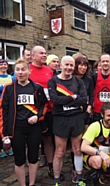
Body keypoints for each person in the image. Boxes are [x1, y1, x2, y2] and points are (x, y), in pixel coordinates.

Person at [2, 59, 47, 186]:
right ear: (14, 72)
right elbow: (4, 110)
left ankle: (32, 183)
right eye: (17, 70)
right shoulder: (9, 88)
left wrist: (37, 117)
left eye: (23, 69)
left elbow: (44, 105)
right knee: (19, 159)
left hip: (34, 128)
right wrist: (4, 132)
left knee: (33, 157)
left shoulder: (37, 87)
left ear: (29, 71)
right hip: (17, 128)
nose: (20, 72)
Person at [48, 55, 87, 186]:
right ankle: (57, 179)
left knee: (77, 150)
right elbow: (55, 100)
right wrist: (74, 97)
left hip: (76, 118)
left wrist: (69, 100)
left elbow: (84, 100)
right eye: (67, 65)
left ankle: (79, 176)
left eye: (71, 65)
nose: (69, 68)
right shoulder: (53, 81)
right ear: (61, 66)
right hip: (60, 119)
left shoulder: (78, 81)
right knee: (59, 152)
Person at [29, 46, 62, 180]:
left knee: (49, 139)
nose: (44, 55)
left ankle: (50, 165)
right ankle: (32, 168)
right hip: (33, 112)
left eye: (45, 53)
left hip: (50, 111)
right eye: (41, 53)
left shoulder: (49, 71)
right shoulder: (27, 70)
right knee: (33, 141)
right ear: (33, 56)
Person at [71, 56, 94, 183]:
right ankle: (75, 169)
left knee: (84, 142)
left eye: (85, 65)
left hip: (85, 113)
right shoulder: (71, 79)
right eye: (80, 65)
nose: (83, 67)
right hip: (73, 113)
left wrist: (90, 106)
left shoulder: (89, 79)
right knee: (75, 143)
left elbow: (91, 94)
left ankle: (84, 167)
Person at [92, 54, 110, 122]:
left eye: (107, 61)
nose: (105, 63)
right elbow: (91, 93)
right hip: (98, 111)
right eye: (103, 61)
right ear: (100, 63)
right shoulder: (94, 76)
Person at [0, 59, 16, 158]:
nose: (3, 66)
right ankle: (1, 149)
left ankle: (9, 146)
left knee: (8, 124)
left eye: (5, 64)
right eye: (1, 64)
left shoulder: (11, 78)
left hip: (9, 105)